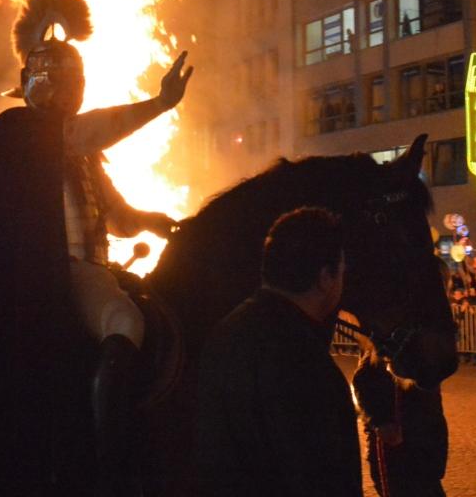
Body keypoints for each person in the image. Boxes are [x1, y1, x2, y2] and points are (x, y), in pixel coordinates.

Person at [0, 0, 190, 495]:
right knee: (125, 321)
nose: (66, 94)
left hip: (93, 265)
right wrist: (159, 103)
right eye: (59, 84)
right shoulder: (24, 132)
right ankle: (107, 462)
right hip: (56, 270)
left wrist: (155, 221)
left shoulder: (78, 146)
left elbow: (115, 217)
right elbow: (88, 132)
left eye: (72, 83)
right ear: (35, 86)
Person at [192, 207, 361, 497]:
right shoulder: (307, 363)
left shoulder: (224, 333)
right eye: (341, 271)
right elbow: (324, 477)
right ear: (325, 277)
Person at [351, 347, 449, 497]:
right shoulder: (388, 346)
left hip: (423, 446)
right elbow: (363, 380)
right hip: (397, 450)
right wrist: (380, 422)